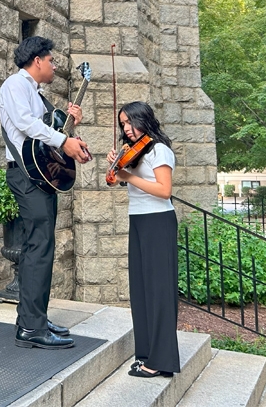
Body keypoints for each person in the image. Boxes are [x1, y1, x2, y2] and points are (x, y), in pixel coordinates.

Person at [0, 36, 90, 349]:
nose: (54, 66)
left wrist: (69, 127)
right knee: (38, 248)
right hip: (26, 177)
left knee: (43, 247)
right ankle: (31, 328)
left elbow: (46, 133)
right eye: (51, 60)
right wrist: (64, 142)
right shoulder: (15, 85)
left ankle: (34, 317)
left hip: (40, 177)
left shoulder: (36, 94)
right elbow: (25, 124)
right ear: (37, 60)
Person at [105, 101, 180, 377]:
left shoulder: (159, 150)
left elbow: (164, 190)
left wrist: (127, 176)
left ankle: (161, 362)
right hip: (138, 220)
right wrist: (116, 171)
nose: (126, 128)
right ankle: (148, 354)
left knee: (159, 291)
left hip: (157, 222)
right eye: (122, 124)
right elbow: (115, 181)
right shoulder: (134, 153)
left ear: (143, 120)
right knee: (141, 291)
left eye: (129, 122)